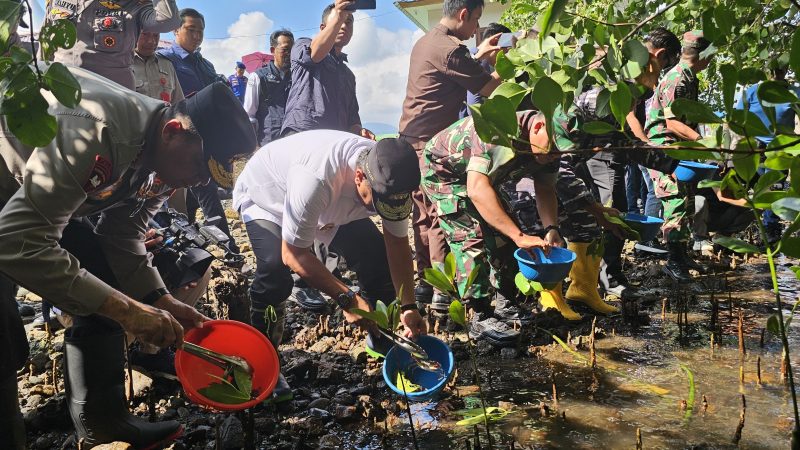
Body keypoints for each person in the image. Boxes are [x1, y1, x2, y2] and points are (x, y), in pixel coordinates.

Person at [0, 62, 256, 448]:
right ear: (174, 132)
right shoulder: (97, 133)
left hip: (38, 197)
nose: (200, 183)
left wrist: (158, 300)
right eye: (200, 169)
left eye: (211, 178)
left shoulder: (165, 159)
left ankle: (103, 422)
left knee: (105, 282)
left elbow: (122, 233)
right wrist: (127, 311)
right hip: (13, 189)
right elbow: (17, 243)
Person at [233, 131, 426, 400]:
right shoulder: (316, 178)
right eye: (379, 203)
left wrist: (408, 306)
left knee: (376, 257)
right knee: (274, 271)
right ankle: (265, 363)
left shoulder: (390, 175)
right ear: (360, 177)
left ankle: (382, 338)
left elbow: (397, 243)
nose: (385, 210)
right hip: (270, 198)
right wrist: (347, 298)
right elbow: (294, 254)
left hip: (329, 209)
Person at [420, 112, 561, 346]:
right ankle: (480, 315)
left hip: (482, 178)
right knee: (470, 236)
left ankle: (505, 303)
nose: (555, 156)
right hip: (445, 174)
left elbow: (545, 187)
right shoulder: (497, 131)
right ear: (537, 127)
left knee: (503, 232)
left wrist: (551, 228)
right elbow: (476, 190)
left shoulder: (551, 143)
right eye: (553, 150)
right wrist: (520, 236)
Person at [398, 0, 503, 314]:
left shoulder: (426, 42)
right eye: (475, 22)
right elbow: (488, 88)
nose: (475, 31)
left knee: (420, 218)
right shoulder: (450, 50)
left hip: (408, 140)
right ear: (463, 15)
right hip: (430, 146)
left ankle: (425, 285)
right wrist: (509, 66)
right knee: (439, 217)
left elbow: (452, 67)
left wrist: (479, 54)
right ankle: (444, 292)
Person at [158, 8, 240, 254]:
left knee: (197, 192)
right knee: (208, 194)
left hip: (207, 137)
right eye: (190, 30)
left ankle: (190, 235)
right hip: (181, 138)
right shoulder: (166, 59)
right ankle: (230, 249)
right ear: (176, 30)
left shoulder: (205, 64)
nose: (196, 36)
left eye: (200, 31)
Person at [645, 31, 715, 283]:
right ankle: (673, 261)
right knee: (674, 201)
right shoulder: (677, 79)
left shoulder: (688, 77)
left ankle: (681, 255)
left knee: (685, 201)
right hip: (665, 148)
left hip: (679, 149)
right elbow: (673, 123)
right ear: (703, 56)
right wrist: (705, 144)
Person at [281, 1, 372, 137]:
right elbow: (315, 54)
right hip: (302, 135)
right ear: (323, 28)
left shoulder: (348, 75)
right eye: (339, 20)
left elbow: (352, 119)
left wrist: (360, 131)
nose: (344, 26)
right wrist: (338, 15)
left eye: (349, 21)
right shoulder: (302, 45)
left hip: (334, 143)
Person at [735, 57, 799, 245]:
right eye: (774, 68)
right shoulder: (753, 91)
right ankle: (739, 228)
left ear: (787, 69)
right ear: (767, 69)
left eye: (781, 68)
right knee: (752, 188)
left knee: (775, 188)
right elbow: (738, 118)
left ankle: (771, 231)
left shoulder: (793, 92)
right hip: (753, 149)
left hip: (779, 150)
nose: (778, 71)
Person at [46, 0, 180, 89]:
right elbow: (45, 42)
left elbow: (168, 20)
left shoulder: (135, 3)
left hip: (110, 97)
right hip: (61, 91)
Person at [243, 29, 294, 146]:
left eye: (292, 51)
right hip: (268, 142)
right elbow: (249, 116)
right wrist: (254, 145)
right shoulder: (257, 77)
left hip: (292, 140)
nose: (290, 55)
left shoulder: (296, 77)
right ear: (273, 50)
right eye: (285, 50)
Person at [458, 22, 511, 119]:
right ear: (494, 43)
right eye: (507, 49)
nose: (508, 54)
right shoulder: (477, 61)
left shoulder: (475, 56)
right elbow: (475, 109)